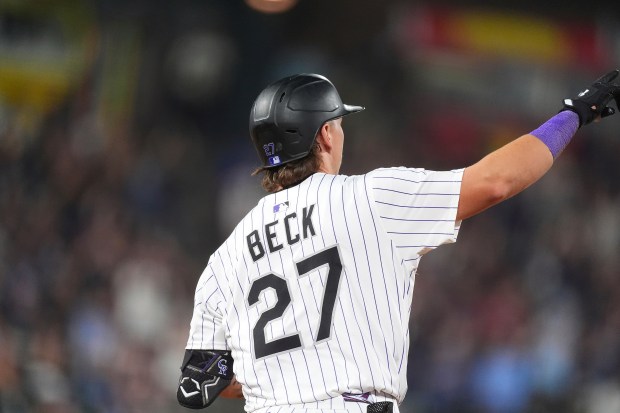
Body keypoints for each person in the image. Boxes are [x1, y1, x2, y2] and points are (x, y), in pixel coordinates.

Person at [176, 71, 620, 413]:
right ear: (325, 134)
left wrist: (276, 375)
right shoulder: (369, 198)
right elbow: (496, 181)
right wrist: (575, 115)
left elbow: (198, 385)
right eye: (338, 122)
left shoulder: (224, 258)